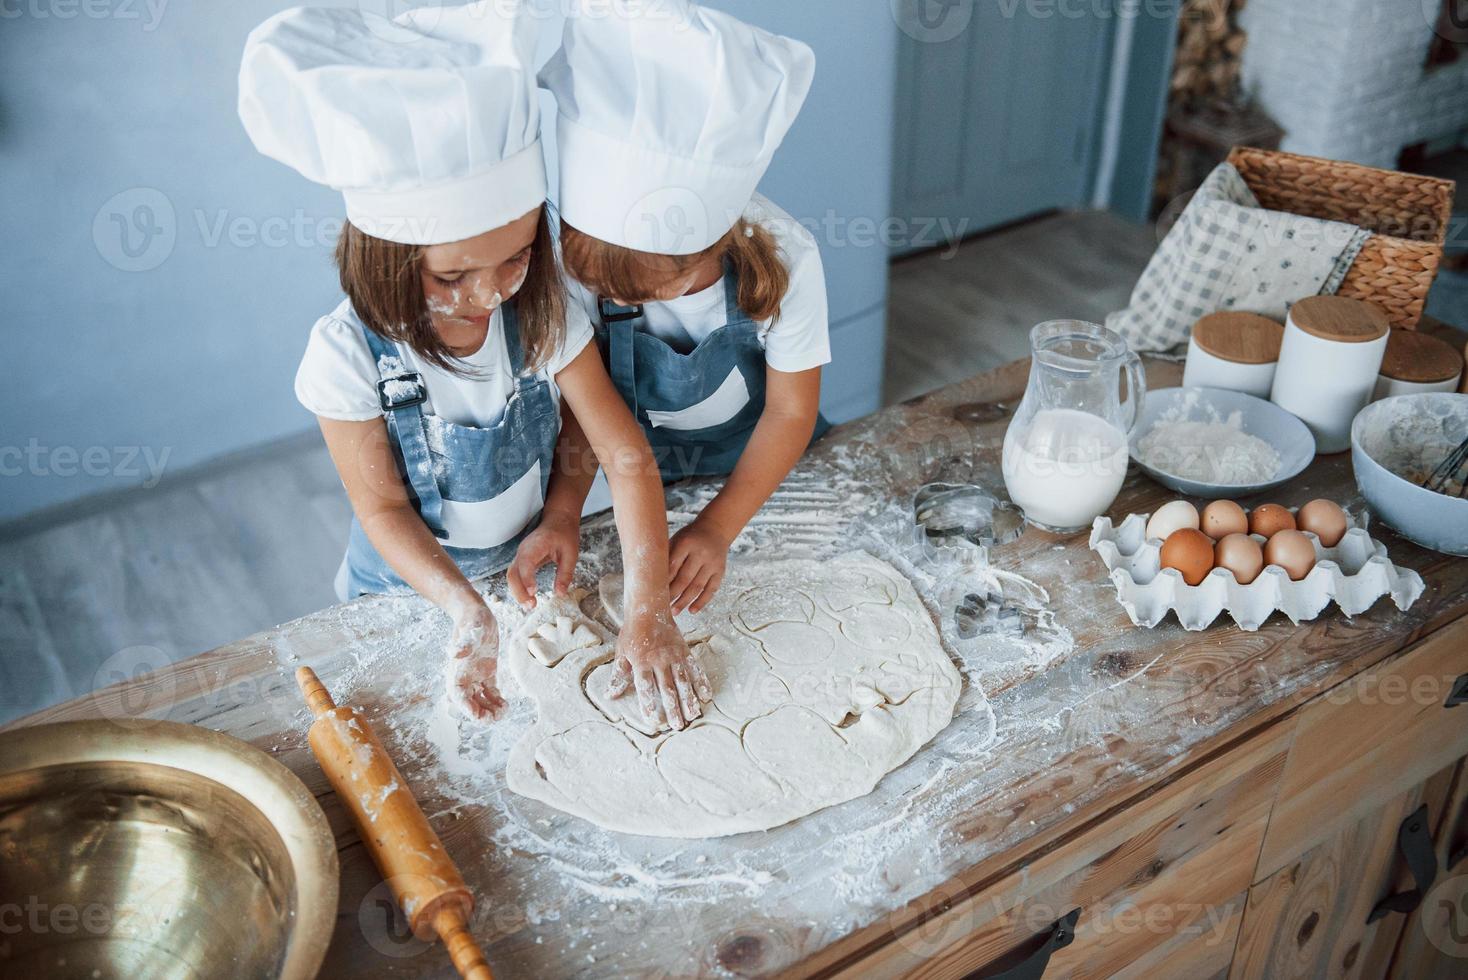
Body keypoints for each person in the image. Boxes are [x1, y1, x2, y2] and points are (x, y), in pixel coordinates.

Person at [238, 2, 709, 729]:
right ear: (389, 261)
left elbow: (623, 452)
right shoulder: (344, 355)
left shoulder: (542, 314)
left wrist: (634, 597)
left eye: (517, 257)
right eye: (452, 276)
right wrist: (464, 610)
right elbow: (385, 509)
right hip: (409, 594)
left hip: (522, 568)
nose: (490, 293)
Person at [540, 0, 831, 615]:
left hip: (764, 474)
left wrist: (720, 526)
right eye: (605, 287)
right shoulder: (576, 267)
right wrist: (564, 512)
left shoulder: (787, 260)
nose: (617, 302)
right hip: (651, 482)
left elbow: (789, 411)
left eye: (643, 292)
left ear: (716, 243)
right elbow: (593, 420)